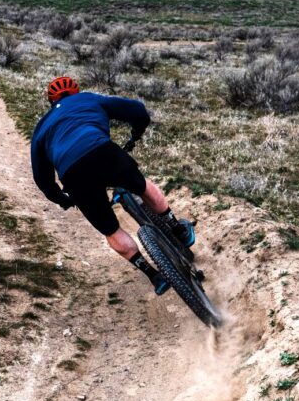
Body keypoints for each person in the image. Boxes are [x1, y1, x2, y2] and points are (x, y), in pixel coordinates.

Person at [30, 76, 195, 295]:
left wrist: (64, 199)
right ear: (76, 92)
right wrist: (136, 134)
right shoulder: (88, 100)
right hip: (101, 151)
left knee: (110, 229)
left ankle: (153, 275)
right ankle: (178, 228)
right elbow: (138, 111)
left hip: (73, 174)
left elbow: (43, 180)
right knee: (142, 186)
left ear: (51, 102)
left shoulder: (41, 128)